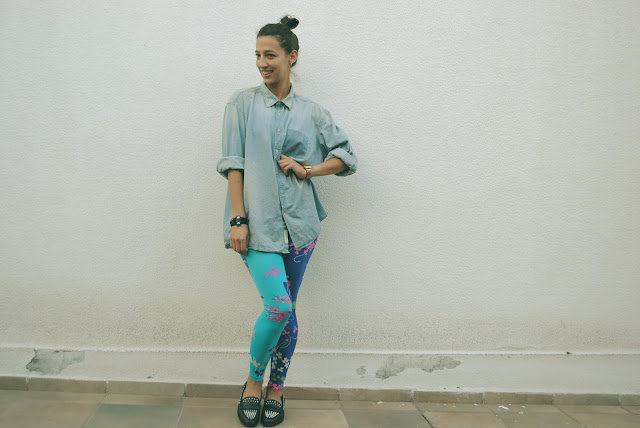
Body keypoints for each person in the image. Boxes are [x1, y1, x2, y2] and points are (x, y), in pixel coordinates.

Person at [216, 15, 357, 427]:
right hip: (256, 226)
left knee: (288, 312)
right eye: (258, 55)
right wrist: (238, 219)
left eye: (271, 54)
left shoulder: (313, 112)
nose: (263, 62)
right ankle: (253, 381)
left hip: (301, 228)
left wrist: (308, 169)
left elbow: (346, 157)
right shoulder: (241, 104)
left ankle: (277, 388)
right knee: (277, 307)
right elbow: (234, 164)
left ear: (291, 57)